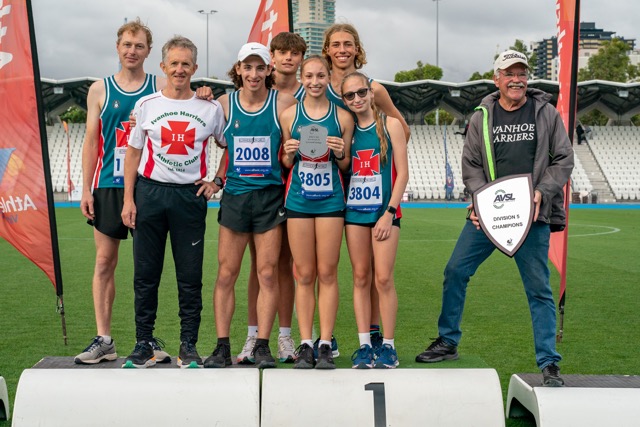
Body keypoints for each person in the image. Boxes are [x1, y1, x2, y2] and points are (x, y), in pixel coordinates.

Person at [415, 50, 574, 387]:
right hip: (490, 214)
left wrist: (543, 191)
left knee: (539, 290)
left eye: (522, 73)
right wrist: (480, 200)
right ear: (497, 78)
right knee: (455, 270)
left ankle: (549, 363)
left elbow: (563, 158)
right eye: (509, 73)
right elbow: (471, 164)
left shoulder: (545, 112)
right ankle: (448, 341)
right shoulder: (481, 116)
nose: (516, 79)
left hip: (532, 216)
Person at [120, 35, 227, 368]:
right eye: (174, 63)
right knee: (146, 275)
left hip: (189, 198)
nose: (180, 70)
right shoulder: (147, 105)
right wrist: (128, 199)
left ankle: (188, 344)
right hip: (149, 194)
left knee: (190, 276)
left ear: (195, 68)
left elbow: (230, 148)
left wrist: (217, 181)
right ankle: (143, 343)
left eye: (186, 64)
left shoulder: (209, 109)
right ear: (163, 66)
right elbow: (133, 152)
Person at [76, 18, 169, 365]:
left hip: (148, 184)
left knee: (148, 267)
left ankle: (147, 339)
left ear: (148, 51)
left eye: (139, 45)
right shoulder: (99, 89)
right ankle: (104, 339)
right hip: (108, 186)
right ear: (118, 47)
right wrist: (86, 188)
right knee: (104, 262)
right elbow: (90, 141)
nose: (132, 51)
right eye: (127, 45)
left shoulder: (160, 88)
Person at [203, 42, 297, 369]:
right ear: (238, 70)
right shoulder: (223, 104)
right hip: (236, 197)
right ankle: (222, 345)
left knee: (268, 273)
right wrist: (200, 94)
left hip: (270, 197)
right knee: (227, 273)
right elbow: (205, 133)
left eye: (260, 67)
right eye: (248, 67)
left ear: (269, 70)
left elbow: (311, 114)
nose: (254, 74)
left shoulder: (284, 102)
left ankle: (263, 345)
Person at [322, 23, 411, 351]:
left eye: (348, 44)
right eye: (336, 44)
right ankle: (332, 335)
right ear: (327, 50)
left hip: (373, 183)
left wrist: (385, 143)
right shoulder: (316, 86)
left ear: (357, 49)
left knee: (379, 274)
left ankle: (378, 337)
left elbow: (401, 129)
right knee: (339, 269)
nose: (342, 49)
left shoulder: (374, 89)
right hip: (336, 186)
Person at [236, 32, 307, 365]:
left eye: (295, 53)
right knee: (260, 268)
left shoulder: (312, 90)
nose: (288, 58)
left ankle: (286, 336)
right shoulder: (262, 92)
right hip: (269, 191)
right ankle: (254, 336)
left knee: (287, 267)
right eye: (281, 52)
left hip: (303, 191)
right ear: (272, 60)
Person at [280, 56, 354, 369]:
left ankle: (326, 343)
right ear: (301, 77)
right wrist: (288, 154)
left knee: (327, 272)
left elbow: (346, 164)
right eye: (308, 76)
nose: (314, 82)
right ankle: (306, 342)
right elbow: (285, 164)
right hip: (298, 201)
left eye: (320, 76)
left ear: (327, 78)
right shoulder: (289, 115)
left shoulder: (343, 117)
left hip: (330, 202)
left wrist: (339, 152)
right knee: (304, 274)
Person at [341, 72, 408, 369]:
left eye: (360, 93)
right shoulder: (348, 129)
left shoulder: (390, 124)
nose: (356, 99)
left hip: (384, 214)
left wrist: (389, 213)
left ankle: (389, 347)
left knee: (383, 278)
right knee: (360, 278)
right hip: (354, 214)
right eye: (349, 96)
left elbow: (402, 173)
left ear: (370, 92)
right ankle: (364, 346)